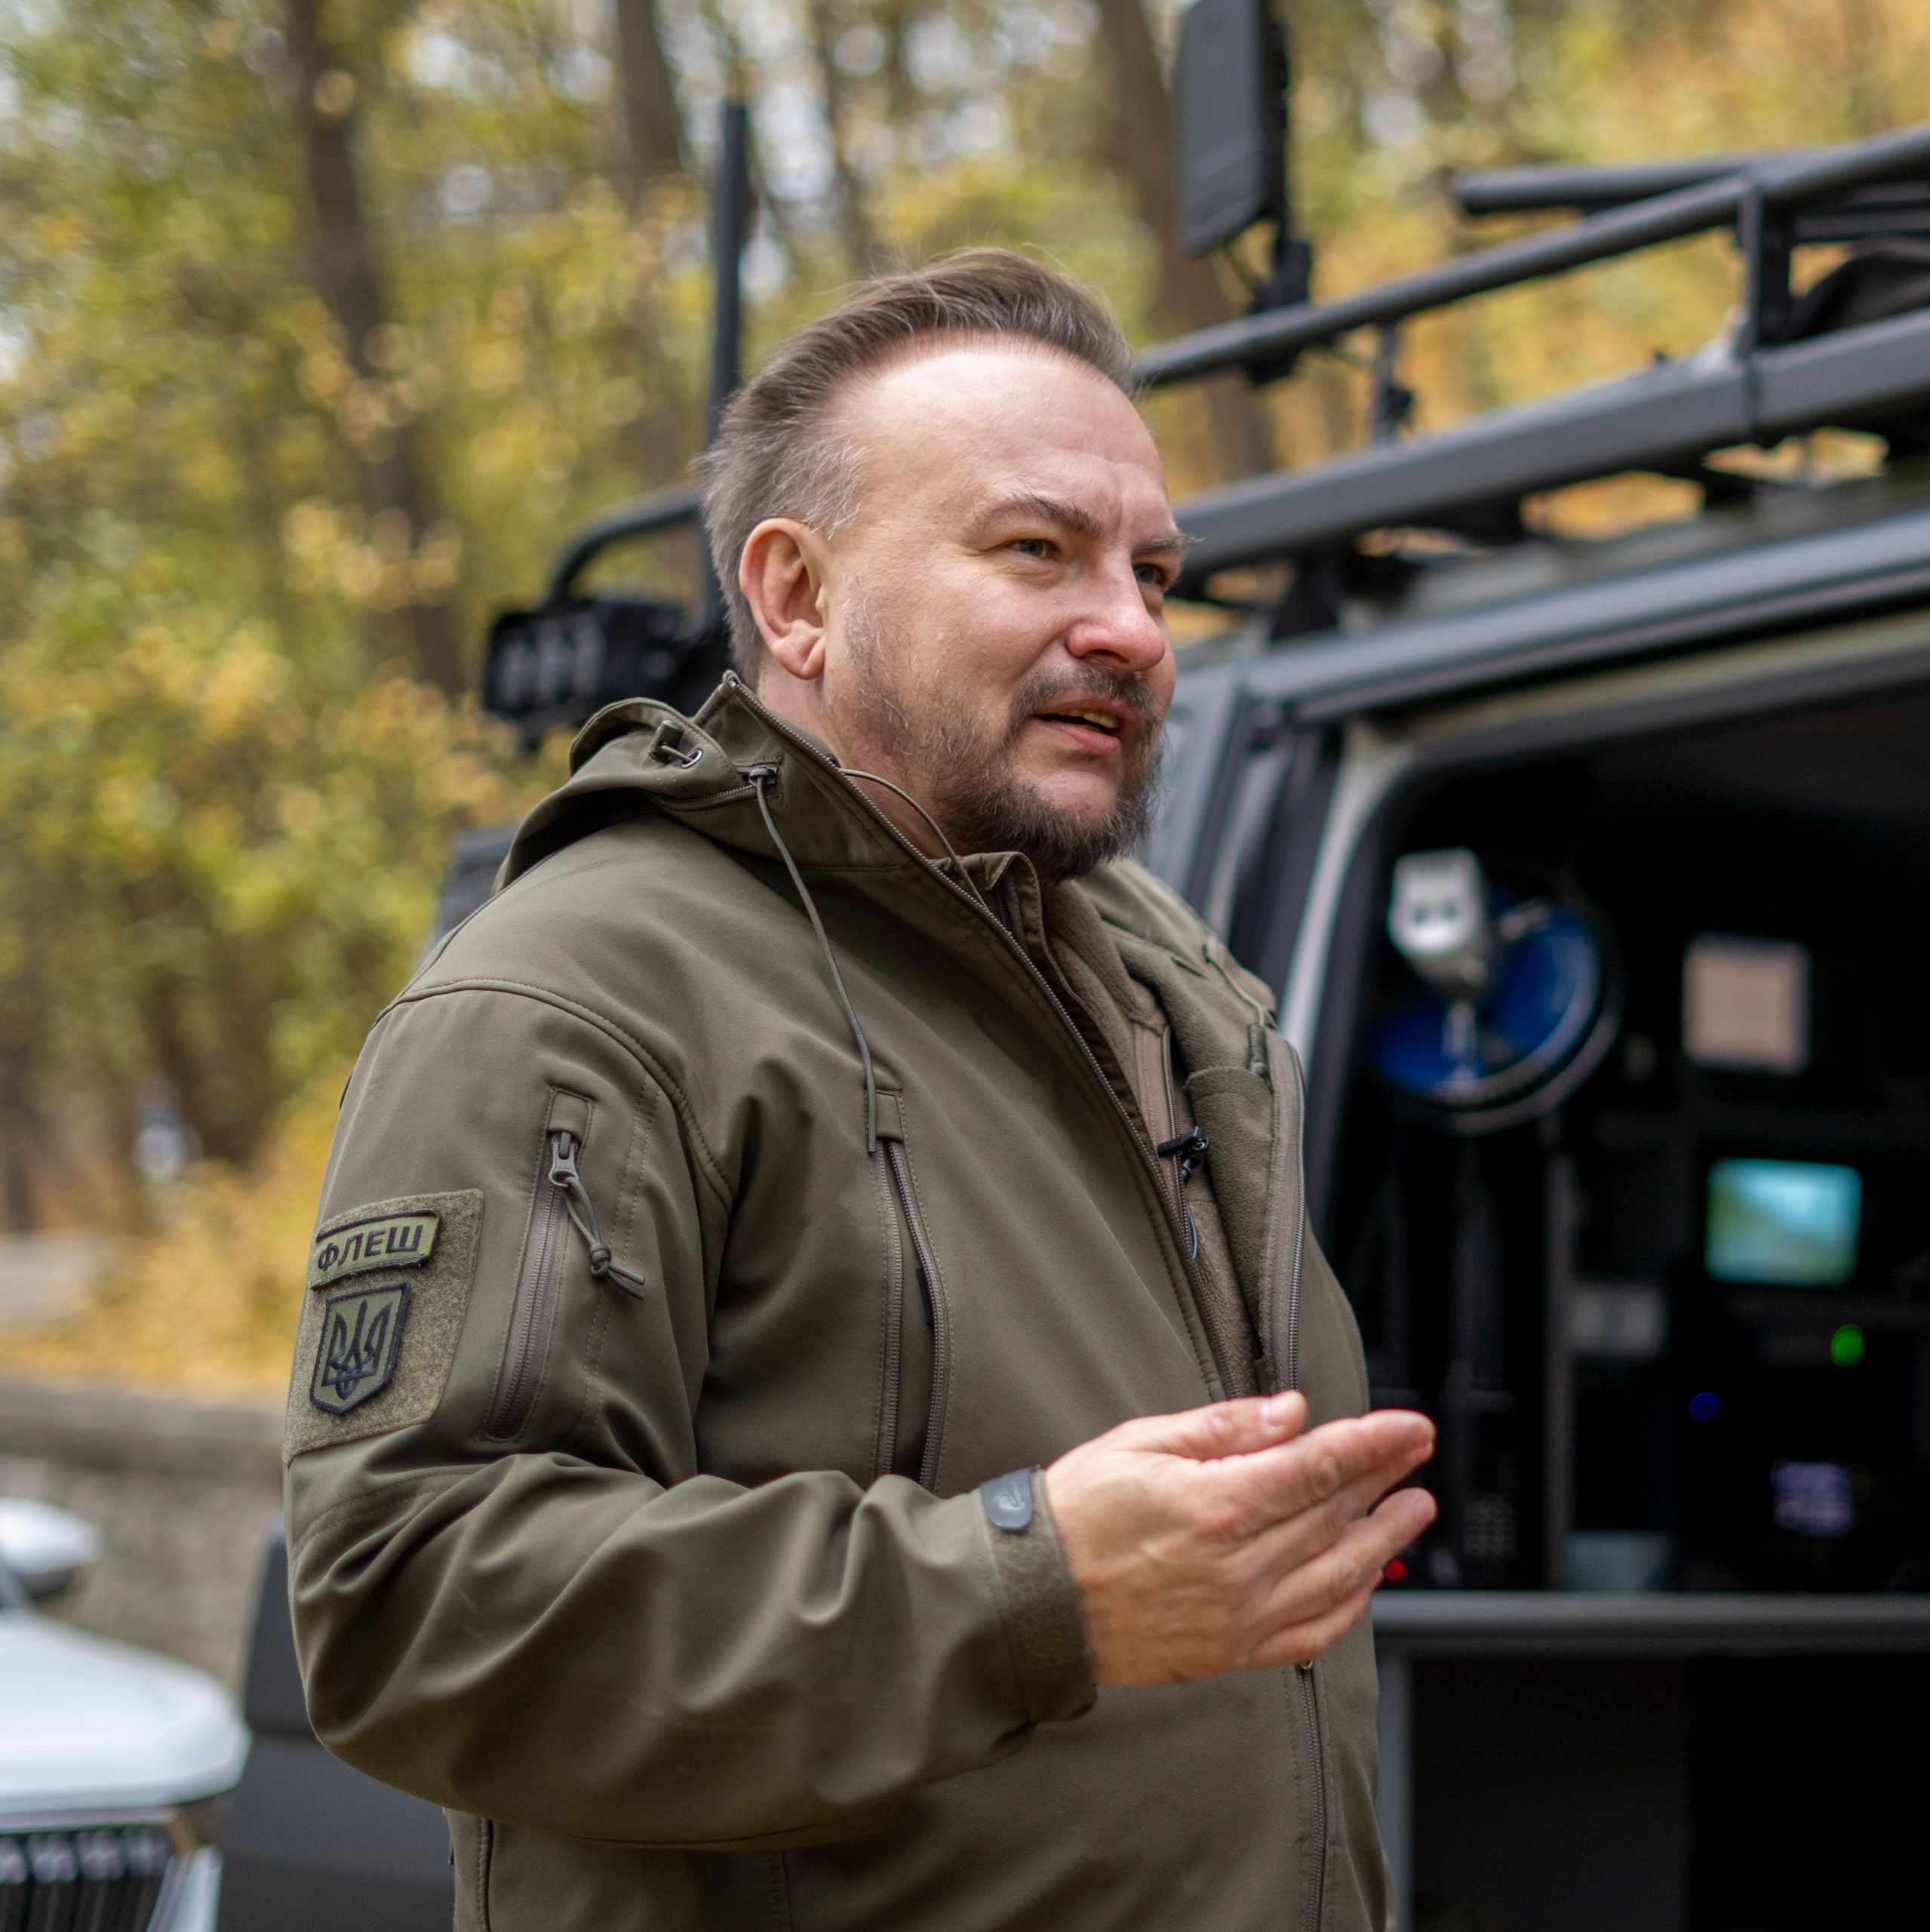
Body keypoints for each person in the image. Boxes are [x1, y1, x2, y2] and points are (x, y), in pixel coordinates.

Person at [281, 248, 1436, 1932]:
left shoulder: (1183, 997)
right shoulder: (575, 991)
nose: (1129, 625)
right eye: (1038, 548)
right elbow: (412, 1610)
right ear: (796, 596)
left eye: (1155, 570)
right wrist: (1034, 1588)